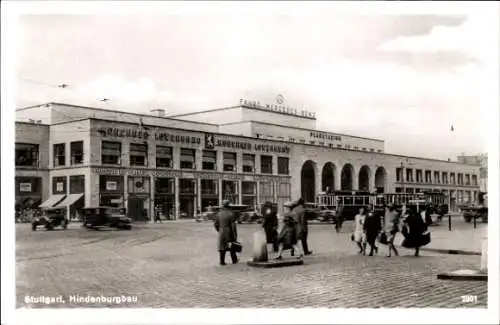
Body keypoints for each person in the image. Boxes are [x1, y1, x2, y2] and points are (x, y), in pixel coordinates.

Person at [214, 200, 239, 265]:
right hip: (229, 231)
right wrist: (235, 234)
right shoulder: (231, 214)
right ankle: (234, 260)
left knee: (222, 247)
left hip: (221, 231)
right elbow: (233, 226)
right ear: (229, 206)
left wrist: (219, 230)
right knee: (232, 245)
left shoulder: (219, 214)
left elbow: (215, 224)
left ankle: (222, 261)